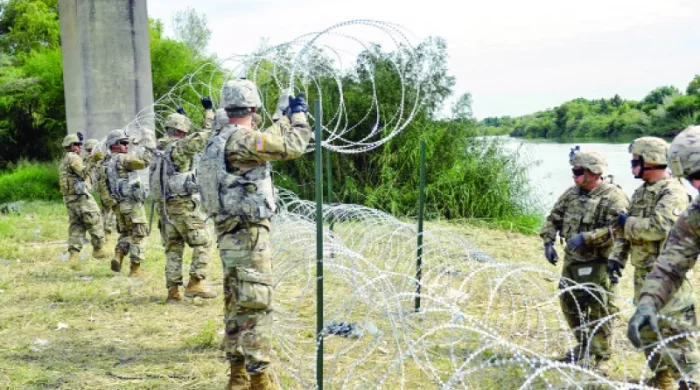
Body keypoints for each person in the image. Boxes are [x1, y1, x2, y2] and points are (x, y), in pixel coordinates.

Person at [197, 80, 311, 389]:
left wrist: (280, 118)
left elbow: (267, 139)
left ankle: (237, 374)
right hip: (248, 235)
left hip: (227, 233)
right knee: (257, 302)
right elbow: (292, 146)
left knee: (236, 301)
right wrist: (298, 117)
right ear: (253, 109)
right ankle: (260, 379)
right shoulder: (243, 140)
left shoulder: (218, 138)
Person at [540, 147, 629, 372]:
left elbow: (619, 229)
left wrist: (587, 238)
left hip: (598, 262)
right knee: (570, 304)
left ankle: (602, 356)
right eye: (574, 170)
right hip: (572, 261)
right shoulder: (572, 194)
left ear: (593, 172)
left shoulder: (613, 197)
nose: (574, 175)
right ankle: (584, 345)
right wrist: (548, 241)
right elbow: (554, 217)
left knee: (600, 307)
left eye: (579, 171)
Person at [628, 126, 700, 390]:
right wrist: (648, 303)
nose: (697, 185)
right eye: (691, 178)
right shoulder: (696, 213)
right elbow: (671, 264)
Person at [152, 98, 217, 302]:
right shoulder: (180, 147)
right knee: (204, 241)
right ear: (182, 131)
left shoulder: (159, 147)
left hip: (164, 208)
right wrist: (209, 111)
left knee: (173, 248)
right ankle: (196, 282)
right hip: (182, 205)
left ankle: (173, 291)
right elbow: (209, 134)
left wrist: (184, 118)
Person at [102, 129, 152, 277]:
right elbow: (144, 163)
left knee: (125, 233)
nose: (126, 146)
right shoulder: (123, 159)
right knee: (139, 235)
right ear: (115, 145)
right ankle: (135, 270)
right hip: (131, 204)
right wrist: (148, 145)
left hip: (118, 205)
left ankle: (118, 255)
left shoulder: (106, 162)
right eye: (124, 143)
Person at [58, 133, 109, 261]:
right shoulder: (73, 157)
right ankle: (99, 249)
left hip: (70, 199)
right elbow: (83, 173)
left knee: (77, 225)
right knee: (95, 218)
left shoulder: (65, 158)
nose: (80, 146)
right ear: (70, 146)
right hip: (80, 198)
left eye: (80, 144)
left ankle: (74, 254)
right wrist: (94, 160)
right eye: (77, 144)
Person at [84, 138, 117, 236]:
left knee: (105, 209)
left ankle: (104, 228)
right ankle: (108, 228)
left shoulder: (89, 159)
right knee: (112, 207)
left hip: (101, 188)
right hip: (105, 187)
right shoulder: (98, 158)